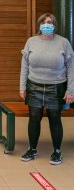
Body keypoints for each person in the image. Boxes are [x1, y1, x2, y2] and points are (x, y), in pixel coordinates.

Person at [19, 13, 74, 165]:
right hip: (34, 85)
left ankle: (57, 151)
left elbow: (71, 68)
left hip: (56, 86)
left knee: (55, 118)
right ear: (39, 25)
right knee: (34, 117)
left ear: (54, 25)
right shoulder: (31, 41)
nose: (46, 25)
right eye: (43, 23)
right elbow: (25, 66)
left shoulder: (63, 42)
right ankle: (32, 149)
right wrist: (22, 87)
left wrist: (70, 90)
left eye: (49, 22)